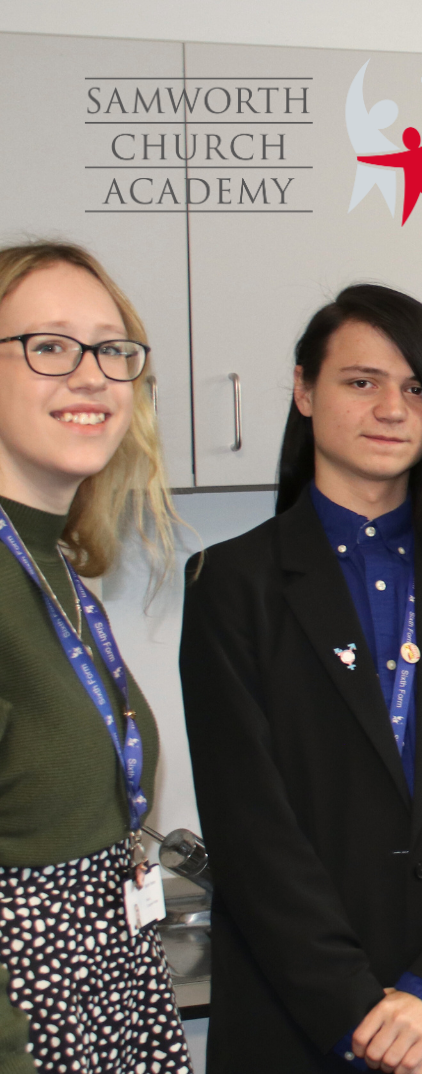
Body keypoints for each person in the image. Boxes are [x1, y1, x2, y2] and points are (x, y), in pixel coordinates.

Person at [180, 285, 422, 1073]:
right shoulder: (232, 583)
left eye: (417, 387)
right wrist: (363, 1014)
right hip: (303, 1016)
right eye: (362, 381)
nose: (392, 407)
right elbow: (251, 831)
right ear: (304, 391)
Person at [0, 241, 189, 1073]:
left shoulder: (59, 566)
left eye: (113, 350)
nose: (92, 377)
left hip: (108, 990)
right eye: (48, 346)